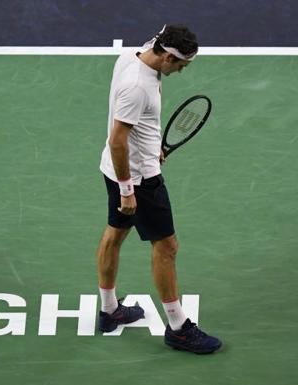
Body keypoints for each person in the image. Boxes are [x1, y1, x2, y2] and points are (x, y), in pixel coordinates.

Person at [96, 25, 222, 354]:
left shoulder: (131, 58)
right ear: (167, 57)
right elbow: (118, 141)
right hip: (139, 180)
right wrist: (128, 191)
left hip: (115, 170)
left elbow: (134, 132)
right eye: (181, 65)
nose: (181, 70)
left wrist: (153, 149)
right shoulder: (138, 87)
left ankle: (109, 311)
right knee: (167, 247)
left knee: (115, 233)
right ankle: (179, 328)